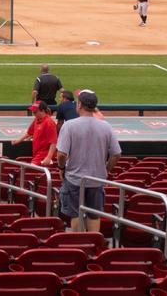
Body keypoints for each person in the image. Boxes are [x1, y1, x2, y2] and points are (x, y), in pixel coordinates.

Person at [57, 90, 121, 233]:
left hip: (74, 179)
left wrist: (61, 168)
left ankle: (79, 246)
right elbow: (116, 154)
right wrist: (106, 170)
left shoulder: (69, 126)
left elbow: (61, 154)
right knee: (94, 215)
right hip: (96, 179)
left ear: (79, 105)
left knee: (75, 215)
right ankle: (93, 247)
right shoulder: (106, 126)